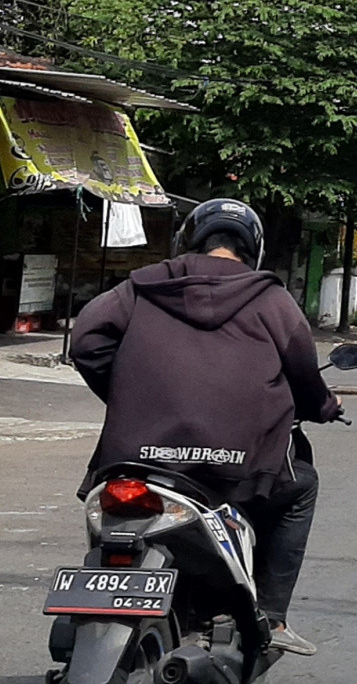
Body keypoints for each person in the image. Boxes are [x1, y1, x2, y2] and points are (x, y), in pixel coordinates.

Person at [69, 198, 341, 657]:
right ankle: (271, 617)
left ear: (188, 240)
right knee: (301, 488)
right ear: (251, 249)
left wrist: (127, 391)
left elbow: (86, 340)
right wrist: (323, 404)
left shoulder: (141, 286)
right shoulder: (270, 297)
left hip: (138, 458)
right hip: (236, 466)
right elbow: (303, 369)